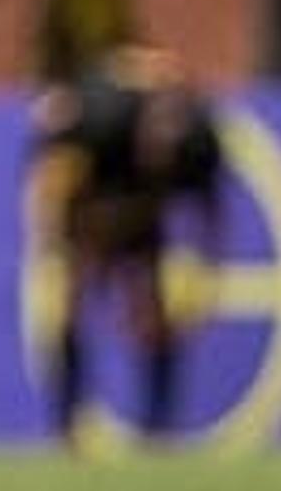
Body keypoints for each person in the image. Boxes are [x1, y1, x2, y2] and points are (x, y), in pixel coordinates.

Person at [26, 44, 225, 450]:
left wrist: (209, 271)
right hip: (89, 208)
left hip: (141, 217)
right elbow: (47, 178)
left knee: (154, 317)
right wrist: (46, 239)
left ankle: (158, 429)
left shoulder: (199, 143)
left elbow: (211, 210)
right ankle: (67, 424)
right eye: (156, 142)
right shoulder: (100, 120)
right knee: (70, 311)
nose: (161, 151)